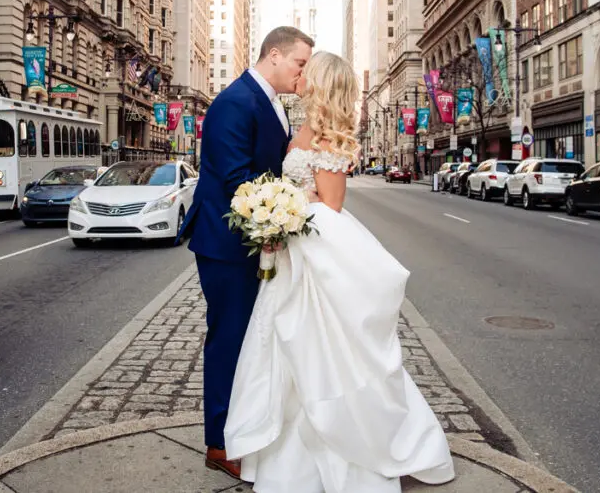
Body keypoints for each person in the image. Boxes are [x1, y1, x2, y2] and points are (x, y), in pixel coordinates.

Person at [224, 52, 456, 493]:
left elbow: (330, 205)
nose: (301, 76)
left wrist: (285, 209)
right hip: (293, 249)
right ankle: (287, 458)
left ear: (323, 83)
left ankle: (353, 447)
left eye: (308, 72)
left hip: (316, 250)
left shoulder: (330, 139)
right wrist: (275, 210)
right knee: (285, 347)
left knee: (322, 348)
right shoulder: (302, 129)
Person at [179, 26, 315, 479]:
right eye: (299, 63)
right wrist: (277, 220)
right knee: (229, 339)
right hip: (226, 244)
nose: (303, 72)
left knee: (253, 341)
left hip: (255, 239)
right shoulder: (233, 103)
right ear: (274, 55)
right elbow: (236, 179)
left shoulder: (273, 103)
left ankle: (249, 425)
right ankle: (219, 444)